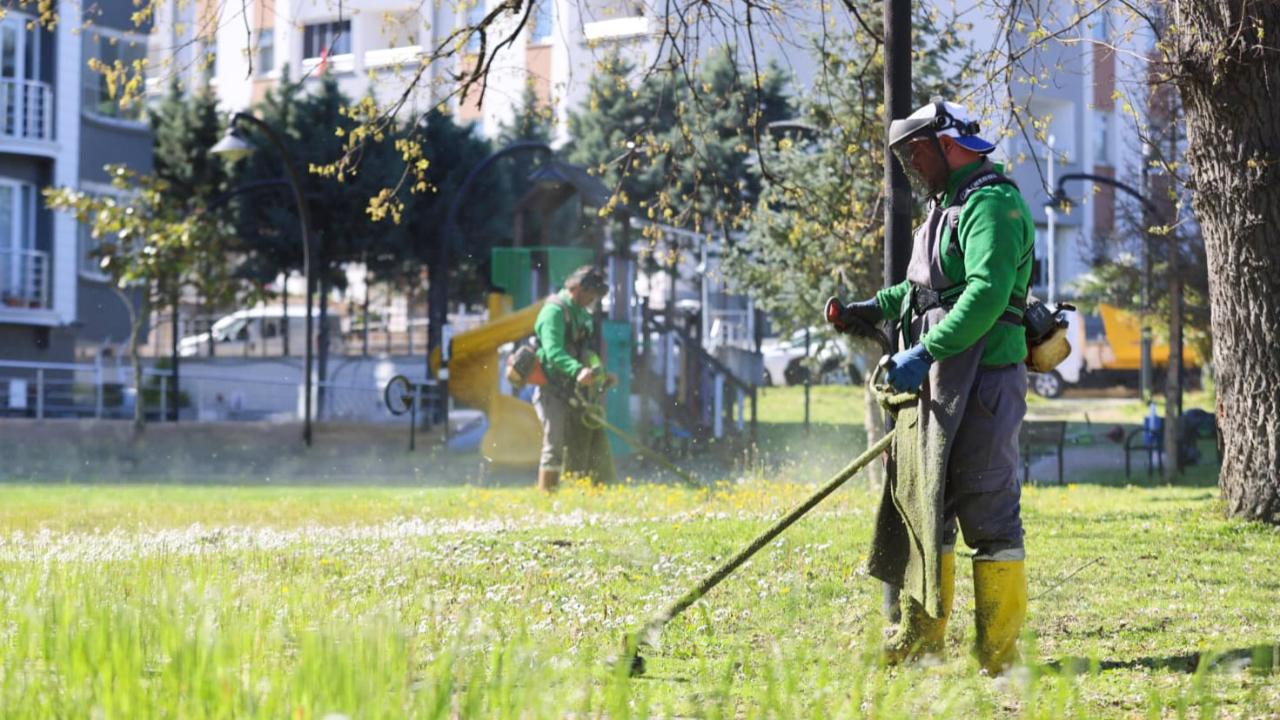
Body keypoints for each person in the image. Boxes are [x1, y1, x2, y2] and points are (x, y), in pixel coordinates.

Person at [830, 100, 1035, 674]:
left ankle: (999, 655)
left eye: (917, 153)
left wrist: (924, 351)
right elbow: (921, 291)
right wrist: (871, 307)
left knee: (988, 511)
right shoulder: (944, 208)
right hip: (940, 380)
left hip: (986, 378)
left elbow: (987, 292)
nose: (913, 167)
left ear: (949, 144)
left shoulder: (993, 205)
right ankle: (922, 642)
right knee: (929, 505)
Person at [532, 265, 618, 492]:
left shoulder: (581, 314)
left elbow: (585, 352)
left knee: (588, 439)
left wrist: (600, 375)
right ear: (578, 288)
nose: (593, 299)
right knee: (555, 444)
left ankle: (587, 490)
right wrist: (578, 370)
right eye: (591, 294)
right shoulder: (554, 311)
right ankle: (547, 498)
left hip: (575, 389)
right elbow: (553, 352)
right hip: (552, 389)